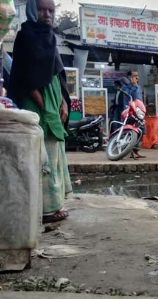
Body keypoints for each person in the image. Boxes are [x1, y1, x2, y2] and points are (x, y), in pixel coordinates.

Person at [8, 0, 72, 224]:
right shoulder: (25, 36)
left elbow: (57, 72)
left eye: (51, 10)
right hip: (36, 101)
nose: (47, 14)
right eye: (42, 10)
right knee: (40, 154)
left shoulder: (51, 37)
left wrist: (63, 101)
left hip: (53, 100)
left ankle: (54, 204)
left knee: (54, 151)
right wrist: (43, 104)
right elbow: (25, 75)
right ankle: (44, 209)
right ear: (33, 11)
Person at [122, 71, 145, 159]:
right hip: (130, 111)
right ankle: (128, 150)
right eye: (134, 76)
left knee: (142, 129)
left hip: (139, 111)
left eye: (137, 76)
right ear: (130, 77)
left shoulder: (138, 87)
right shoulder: (126, 87)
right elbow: (127, 99)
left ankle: (135, 150)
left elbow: (140, 99)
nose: (137, 77)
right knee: (129, 130)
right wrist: (133, 85)